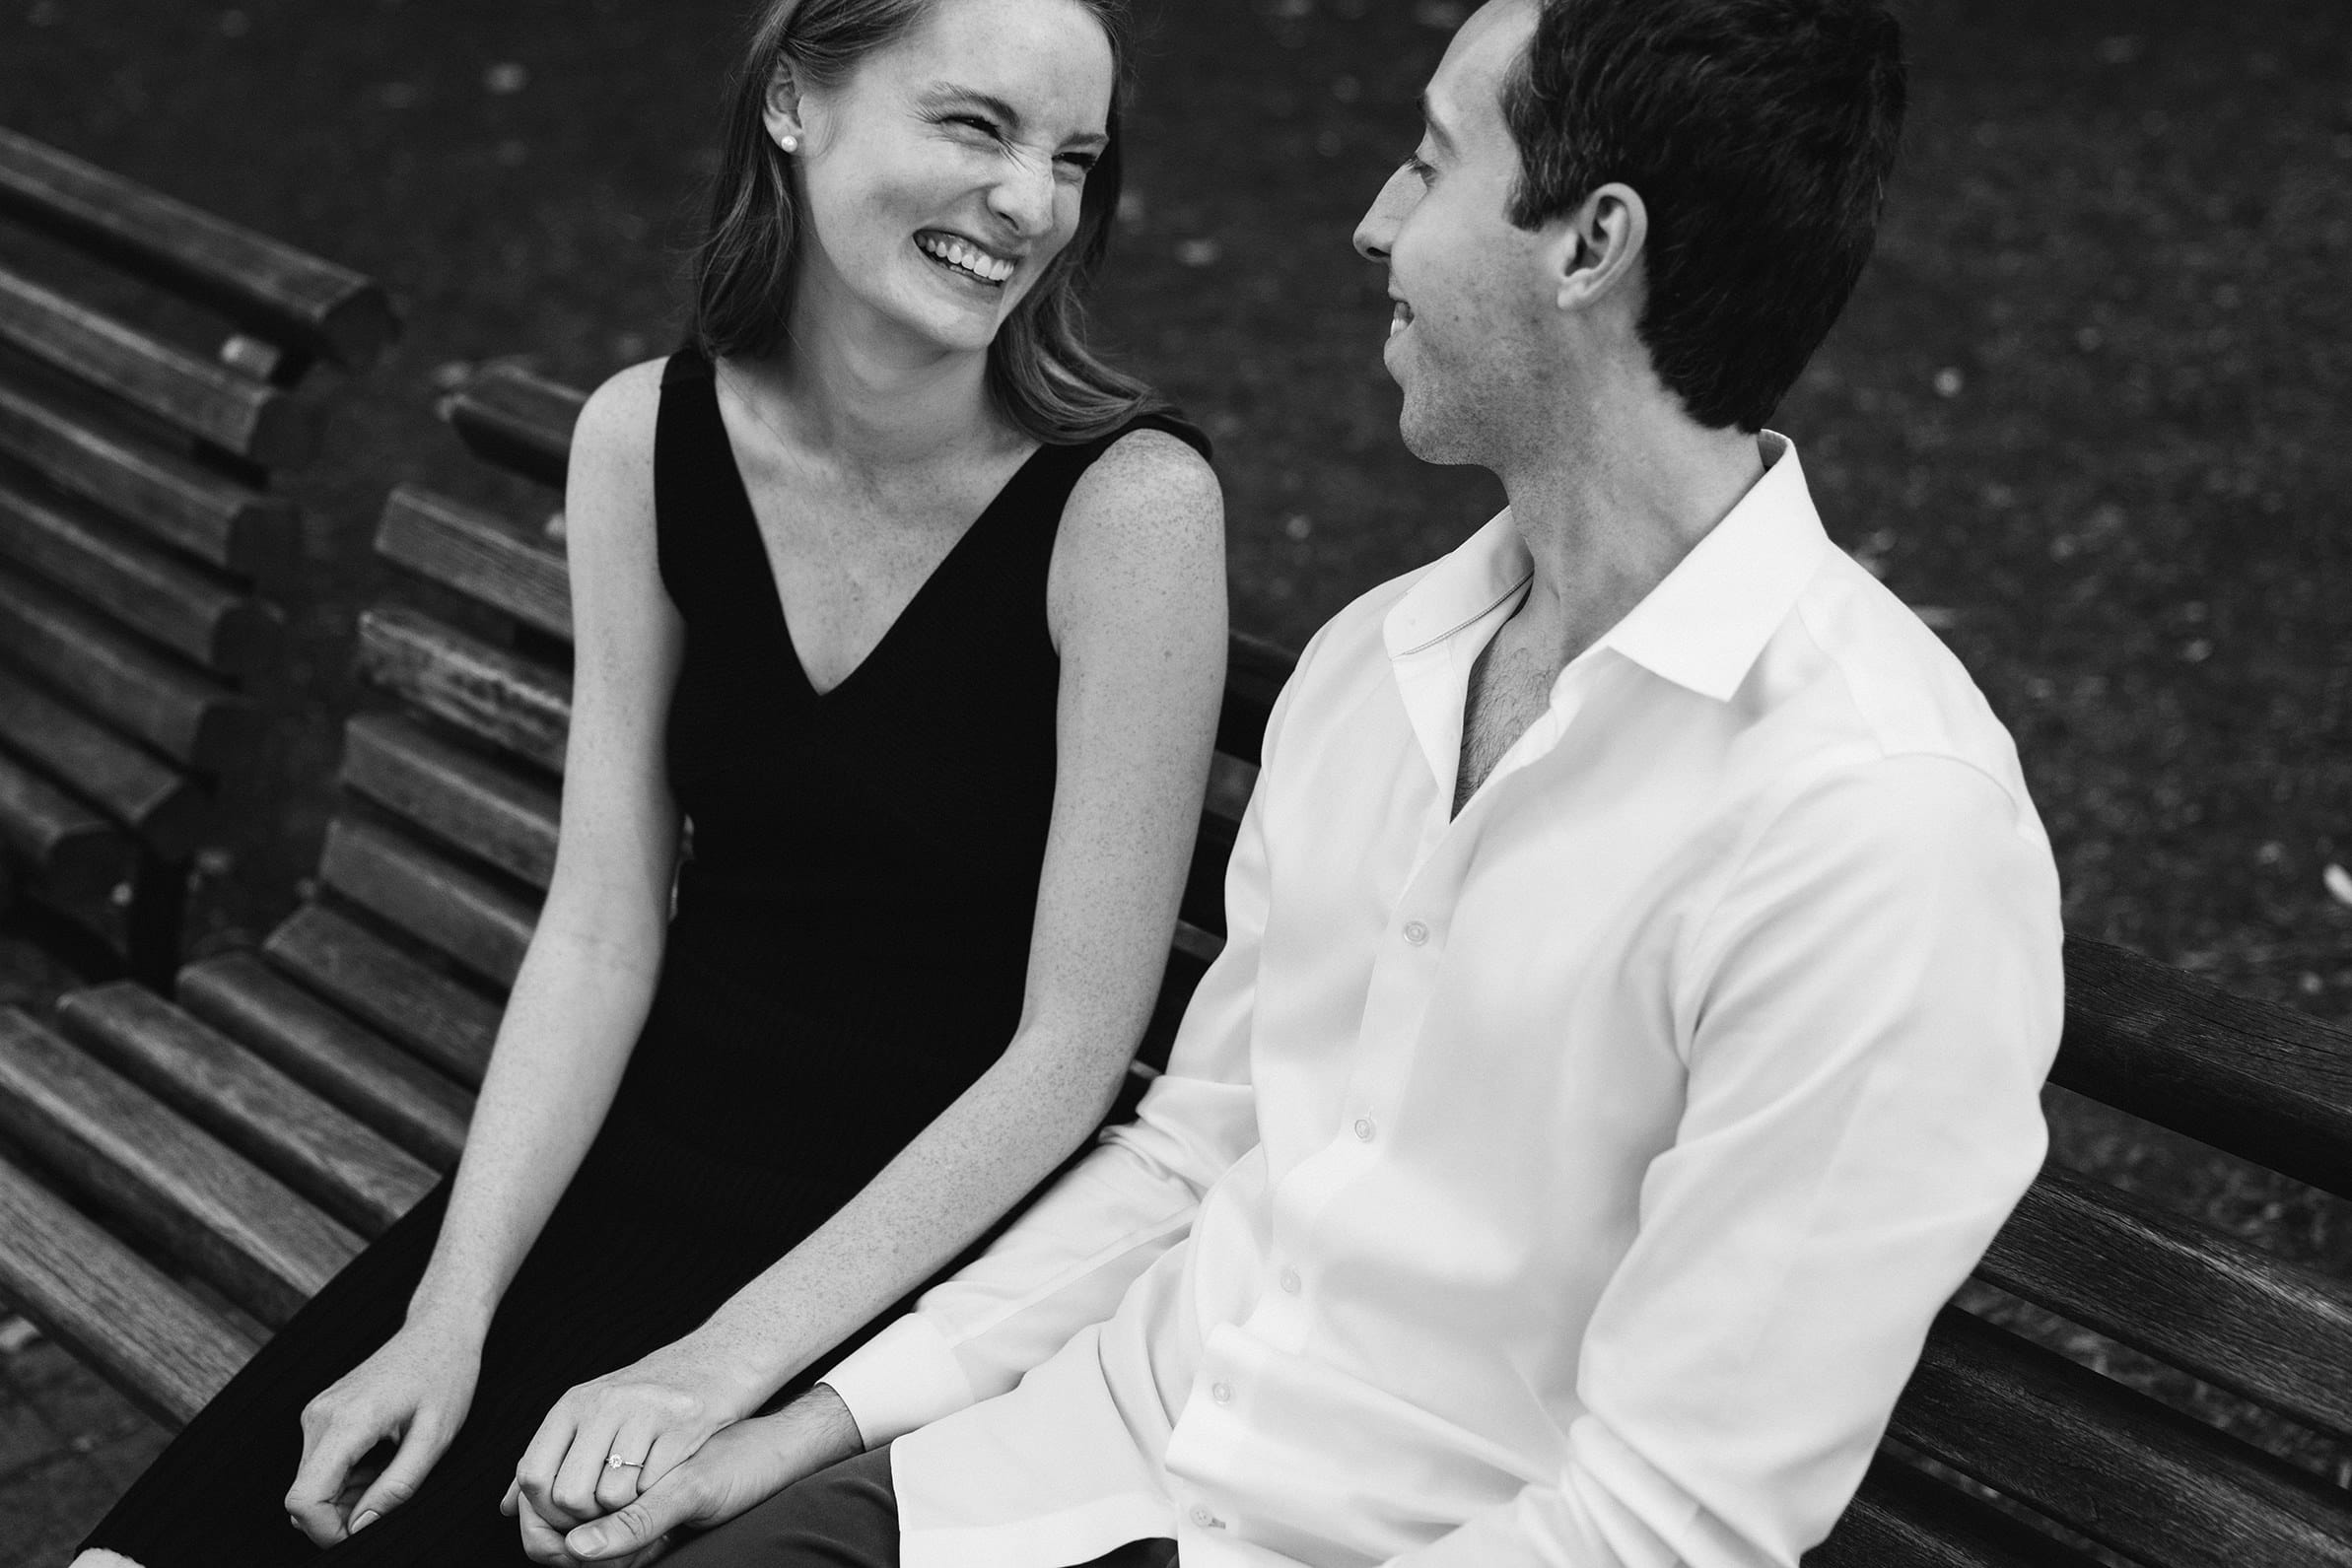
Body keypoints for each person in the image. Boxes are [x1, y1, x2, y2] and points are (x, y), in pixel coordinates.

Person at [542, 0, 2068, 1564]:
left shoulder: (1875, 828)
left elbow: (1659, 1530)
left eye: (1427, 164)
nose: (1371, 224)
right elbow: (1193, 1152)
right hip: (1035, 1483)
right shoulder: (1379, 665)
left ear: (1589, 243)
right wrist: (799, 1426)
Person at [71, 0, 1224, 1563]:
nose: (1031, 203)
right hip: (636, 1152)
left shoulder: (1130, 510)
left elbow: (1073, 1048)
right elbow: (604, 921)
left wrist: (716, 1370)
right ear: (794, 107)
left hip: (916, 1230)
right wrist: (448, 1312)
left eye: (1071, 157)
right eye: (973, 125)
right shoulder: (642, 438)